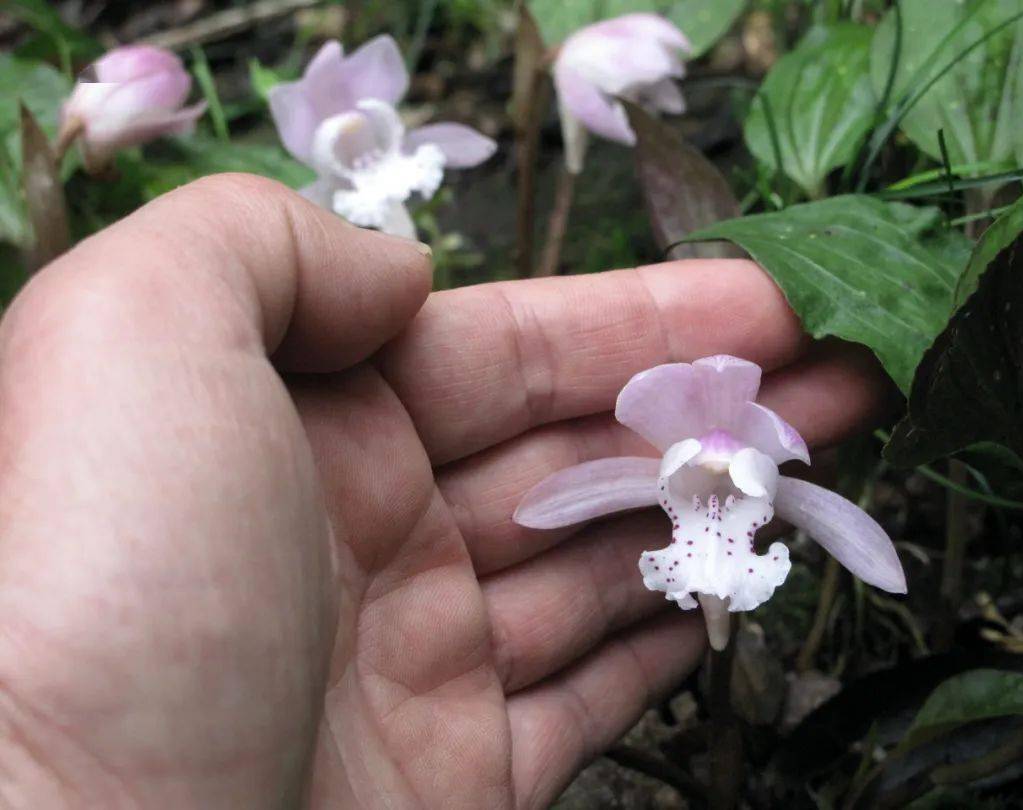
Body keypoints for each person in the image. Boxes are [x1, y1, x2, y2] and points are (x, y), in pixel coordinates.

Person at [0, 174, 886, 808]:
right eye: (696, 475)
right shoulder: (657, 487)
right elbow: (566, 499)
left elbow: (841, 536)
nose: (712, 487)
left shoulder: (739, 491)